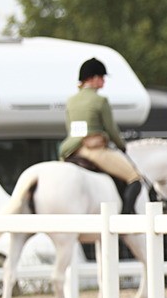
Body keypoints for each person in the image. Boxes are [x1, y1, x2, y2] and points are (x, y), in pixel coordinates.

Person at [59, 57, 143, 212]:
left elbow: (70, 128)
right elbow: (111, 129)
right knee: (135, 178)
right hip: (94, 150)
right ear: (94, 78)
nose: (104, 81)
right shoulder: (100, 100)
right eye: (102, 77)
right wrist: (121, 146)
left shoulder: (71, 101)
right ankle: (125, 217)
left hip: (71, 150)